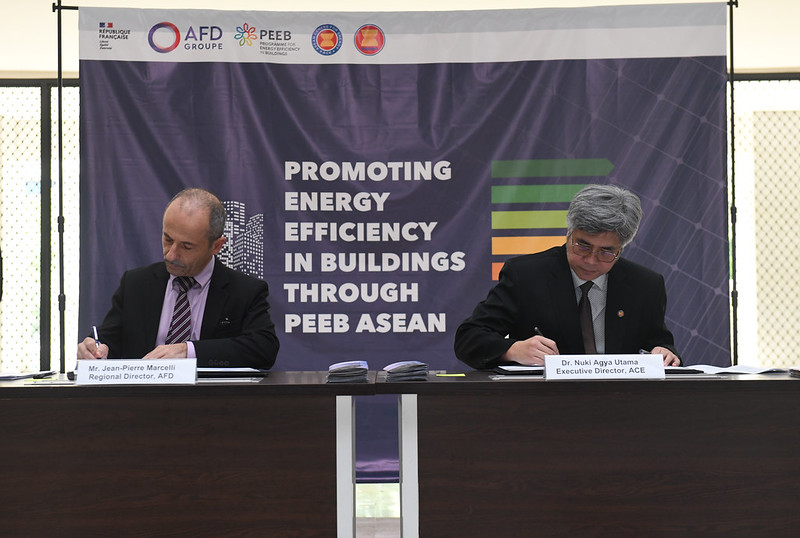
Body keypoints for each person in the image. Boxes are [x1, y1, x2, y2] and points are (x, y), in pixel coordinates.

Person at [454, 183, 680, 369]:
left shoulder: (646, 285)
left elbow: (659, 344)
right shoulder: (525, 275)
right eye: (582, 246)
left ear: (621, 249)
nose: (591, 260)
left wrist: (664, 354)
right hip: (543, 405)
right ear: (568, 233)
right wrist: (512, 350)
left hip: (621, 406)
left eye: (606, 252)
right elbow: (469, 338)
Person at [77, 188, 279, 369]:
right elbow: (109, 340)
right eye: (168, 239)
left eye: (187, 246)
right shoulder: (136, 284)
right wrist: (94, 349)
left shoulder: (244, 291)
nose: (171, 254)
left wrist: (188, 351)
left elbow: (263, 348)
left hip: (213, 403)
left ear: (216, 246)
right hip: (142, 403)